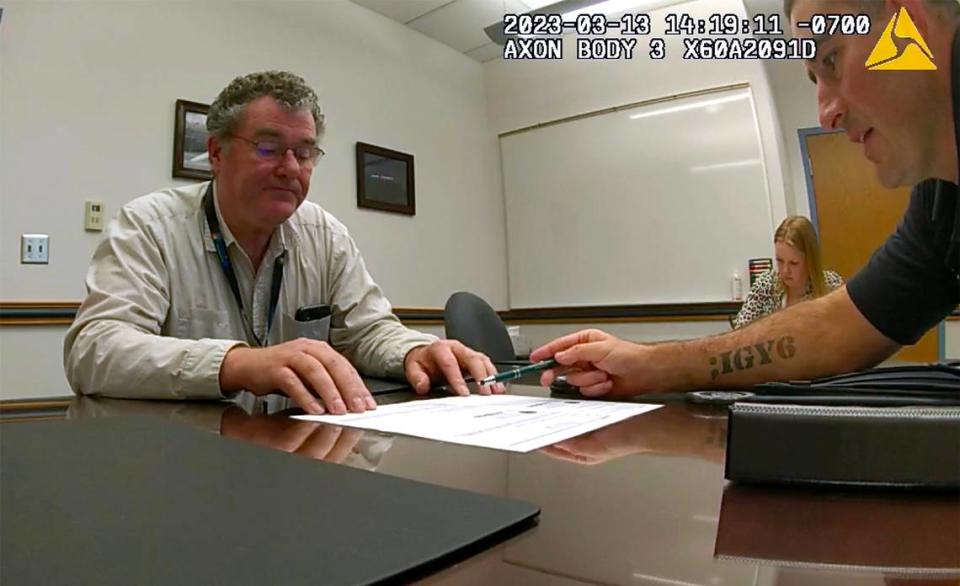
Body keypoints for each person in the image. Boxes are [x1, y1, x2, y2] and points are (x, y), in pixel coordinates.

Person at [531, 0, 959, 396]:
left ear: (911, 24)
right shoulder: (942, 204)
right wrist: (648, 364)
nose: (826, 114)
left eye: (831, 58)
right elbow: (839, 329)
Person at [64, 71, 503, 415]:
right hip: (179, 458)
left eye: (305, 152)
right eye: (268, 148)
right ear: (216, 153)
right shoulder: (149, 225)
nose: (291, 168)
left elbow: (368, 332)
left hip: (296, 454)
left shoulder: (325, 235)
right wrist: (236, 365)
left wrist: (417, 351)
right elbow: (94, 349)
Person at [733, 216, 844, 328]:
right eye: (779, 261)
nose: (785, 271)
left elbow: (847, 331)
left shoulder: (831, 285)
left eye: (794, 263)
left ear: (810, 261)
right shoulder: (765, 285)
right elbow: (739, 332)